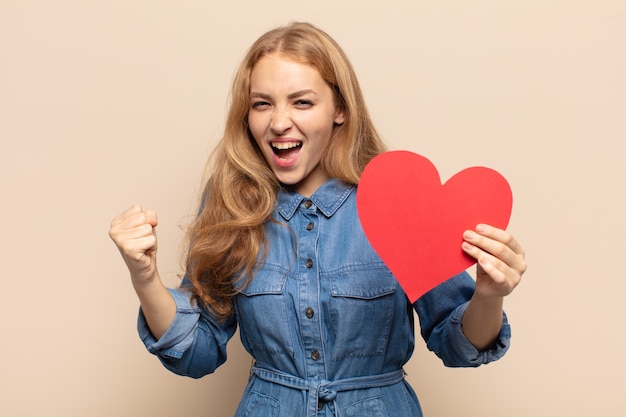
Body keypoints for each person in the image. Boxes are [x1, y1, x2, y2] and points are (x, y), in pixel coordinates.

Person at [109, 21, 526, 417]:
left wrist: (489, 294)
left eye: (302, 102)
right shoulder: (233, 205)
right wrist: (143, 276)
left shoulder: (398, 201)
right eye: (261, 104)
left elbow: (459, 347)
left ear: (339, 109)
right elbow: (195, 353)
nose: (278, 122)